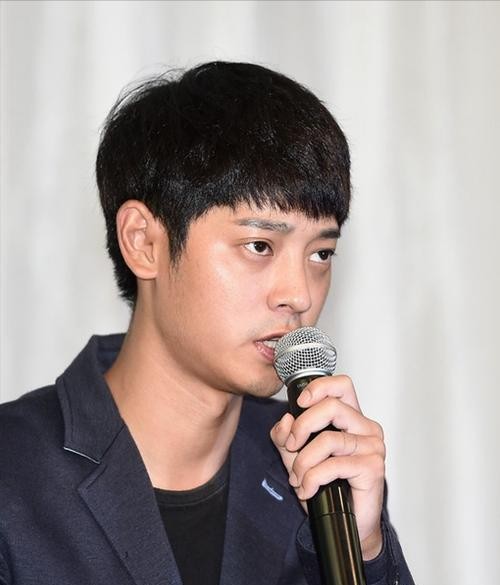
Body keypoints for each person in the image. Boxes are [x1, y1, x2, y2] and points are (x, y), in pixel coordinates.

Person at [0, 61, 414, 585]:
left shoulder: (318, 472)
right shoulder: (14, 473)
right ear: (143, 243)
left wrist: (366, 551)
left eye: (321, 254)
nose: (299, 295)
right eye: (259, 246)